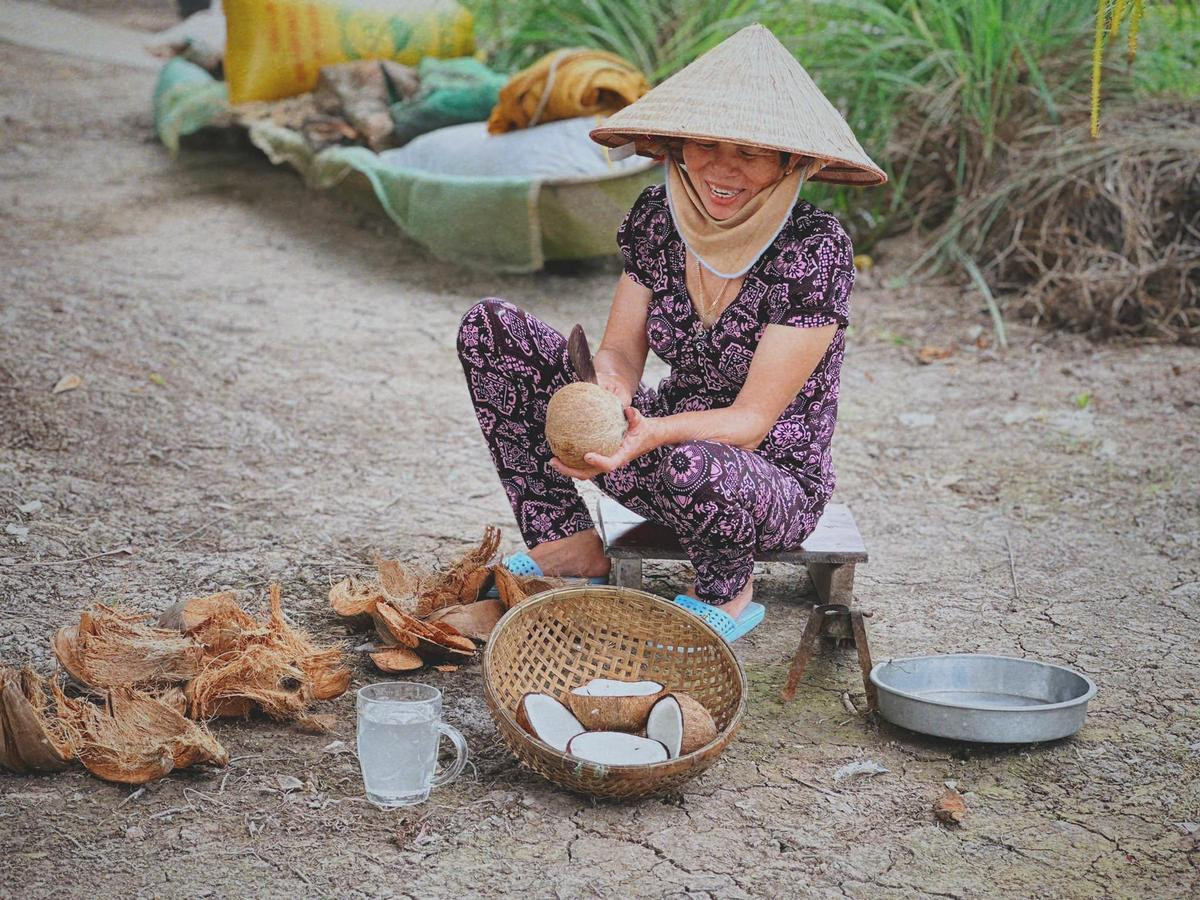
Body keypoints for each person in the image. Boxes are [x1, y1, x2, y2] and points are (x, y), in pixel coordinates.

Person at [456, 24, 884, 641]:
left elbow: (749, 422)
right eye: (706, 144)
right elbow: (622, 350)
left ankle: (727, 590)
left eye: (751, 152)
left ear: (794, 163)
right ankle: (569, 543)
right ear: (677, 146)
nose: (722, 169)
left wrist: (645, 433)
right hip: (645, 450)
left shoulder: (814, 250)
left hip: (759, 486)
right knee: (491, 329)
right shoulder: (659, 219)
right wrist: (607, 394)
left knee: (690, 464)